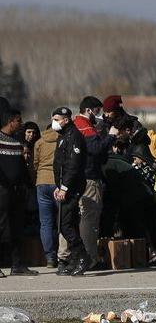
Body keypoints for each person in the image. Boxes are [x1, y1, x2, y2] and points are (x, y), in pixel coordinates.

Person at [69, 96, 117, 268]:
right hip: (89, 178)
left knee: (73, 218)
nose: (99, 116)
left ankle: (68, 257)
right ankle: (90, 258)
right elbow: (95, 149)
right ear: (89, 110)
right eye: (97, 111)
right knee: (90, 218)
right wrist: (111, 137)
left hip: (75, 178)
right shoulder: (86, 126)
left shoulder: (74, 125)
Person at [52, 107, 91, 276]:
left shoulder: (74, 136)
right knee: (69, 223)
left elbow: (73, 166)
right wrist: (58, 186)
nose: (54, 122)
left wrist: (65, 187)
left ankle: (82, 256)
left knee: (65, 224)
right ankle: (75, 259)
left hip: (72, 187)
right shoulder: (63, 136)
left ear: (66, 120)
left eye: (57, 119)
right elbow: (60, 164)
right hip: (63, 186)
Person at [0, 108, 38, 277]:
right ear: (10, 121)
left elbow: (21, 167)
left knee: (17, 228)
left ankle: (18, 265)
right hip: (2, 191)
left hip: (17, 192)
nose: (21, 125)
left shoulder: (17, 141)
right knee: (2, 228)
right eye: (19, 121)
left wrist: (29, 185)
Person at [33, 123, 59, 267]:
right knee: (62, 220)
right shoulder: (62, 139)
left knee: (46, 223)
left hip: (41, 182)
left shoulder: (39, 142)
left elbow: (35, 163)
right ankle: (63, 254)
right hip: (58, 183)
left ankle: (50, 257)